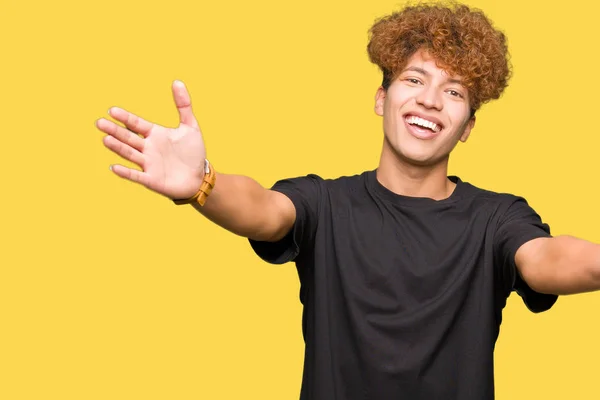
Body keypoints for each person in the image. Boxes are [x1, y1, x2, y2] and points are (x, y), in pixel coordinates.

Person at [95, 2, 600, 399]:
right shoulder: (325, 204)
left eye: (454, 92)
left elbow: (547, 259)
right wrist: (203, 181)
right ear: (382, 98)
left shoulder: (497, 219)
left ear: (467, 126)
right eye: (415, 79)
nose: (428, 99)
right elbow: (264, 211)